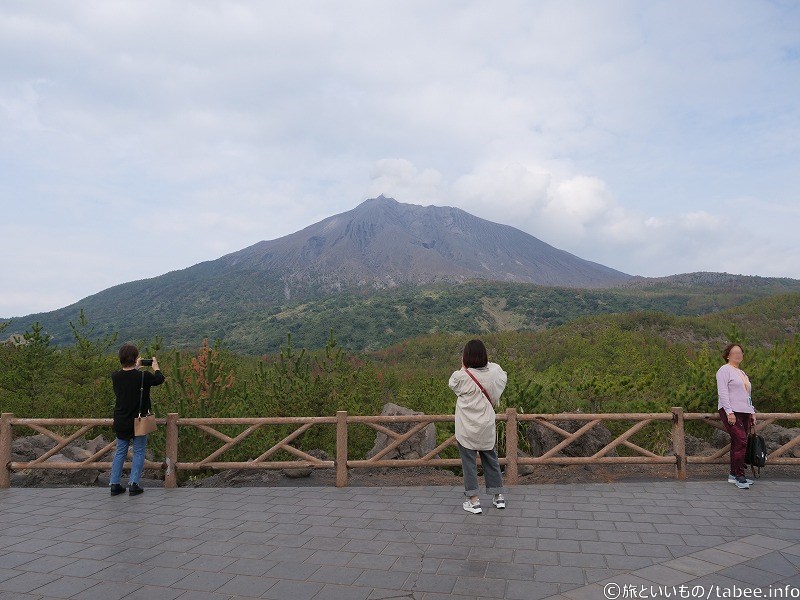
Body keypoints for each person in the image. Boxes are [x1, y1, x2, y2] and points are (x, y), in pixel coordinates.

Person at [449, 339, 508, 514]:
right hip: (487, 426)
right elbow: (499, 369)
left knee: (469, 464)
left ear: (465, 357)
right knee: (491, 459)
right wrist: (483, 361)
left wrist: (464, 366)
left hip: (466, 428)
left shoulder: (461, 377)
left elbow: (452, 384)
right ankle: (498, 497)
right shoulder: (494, 374)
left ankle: (473, 501)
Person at [109, 344, 165, 496]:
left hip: (120, 419)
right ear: (135, 358)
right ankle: (134, 484)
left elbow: (128, 380)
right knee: (139, 451)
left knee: (120, 452)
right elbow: (160, 379)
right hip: (138, 420)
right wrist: (155, 367)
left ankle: (114, 484)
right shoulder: (143, 377)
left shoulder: (115, 376)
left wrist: (136, 367)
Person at [716, 343, 756, 490]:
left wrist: (752, 412)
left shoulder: (742, 373)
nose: (738, 355)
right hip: (731, 411)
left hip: (744, 411)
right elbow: (723, 392)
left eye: (740, 352)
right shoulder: (724, 370)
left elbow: (748, 395)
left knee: (737, 442)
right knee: (741, 441)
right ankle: (740, 475)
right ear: (727, 355)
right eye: (734, 353)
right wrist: (729, 412)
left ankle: (733, 474)